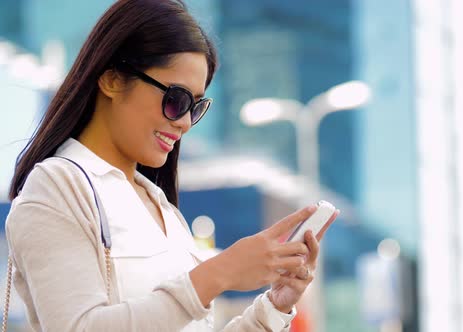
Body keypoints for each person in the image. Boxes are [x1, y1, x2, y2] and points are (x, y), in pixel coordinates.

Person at [4, 0, 339, 331]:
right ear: (113, 80)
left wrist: (275, 306)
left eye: (195, 107)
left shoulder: (161, 207)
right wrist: (220, 272)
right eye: (176, 100)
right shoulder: (56, 187)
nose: (184, 123)